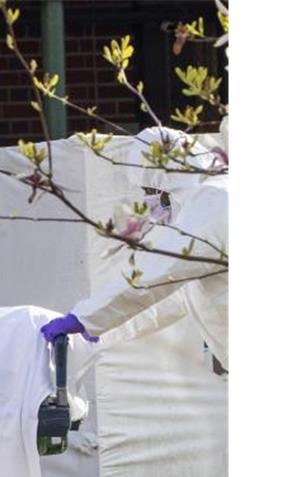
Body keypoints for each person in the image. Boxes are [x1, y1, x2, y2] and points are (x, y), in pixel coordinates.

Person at [40, 125, 227, 371]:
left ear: (166, 175)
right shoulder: (212, 200)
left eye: (152, 190)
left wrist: (84, 318)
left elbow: (156, 275)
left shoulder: (215, 199)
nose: (153, 202)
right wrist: (100, 331)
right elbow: (170, 301)